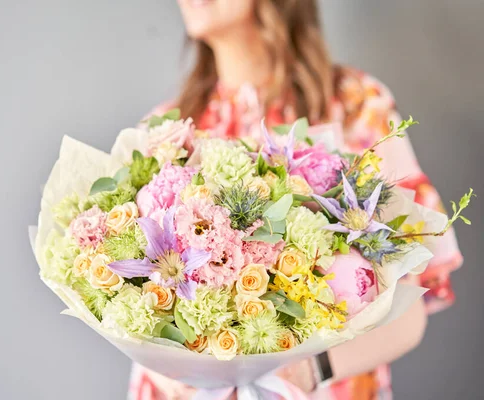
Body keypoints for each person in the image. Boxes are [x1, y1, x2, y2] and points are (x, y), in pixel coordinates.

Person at [129, 1, 463, 398]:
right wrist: (169, 369)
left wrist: (311, 370)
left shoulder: (352, 105)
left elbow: (408, 306)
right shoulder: (166, 129)